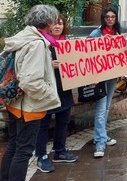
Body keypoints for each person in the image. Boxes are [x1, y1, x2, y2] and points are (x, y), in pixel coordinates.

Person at [0, 4, 60, 181]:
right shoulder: (37, 44)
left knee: (14, 145)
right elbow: (30, 81)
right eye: (54, 20)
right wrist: (49, 95)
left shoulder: (23, 36)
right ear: (48, 22)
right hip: (29, 107)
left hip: (15, 102)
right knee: (24, 151)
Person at [35, 14, 78, 173]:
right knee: (43, 124)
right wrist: (48, 65)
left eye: (61, 23)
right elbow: (32, 67)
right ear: (48, 25)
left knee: (63, 121)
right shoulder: (41, 44)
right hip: (47, 90)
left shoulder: (67, 44)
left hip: (64, 89)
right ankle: (41, 156)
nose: (58, 26)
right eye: (55, 23)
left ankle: (59, 151)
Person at [88, 7, 124, 157]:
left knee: (107, 107)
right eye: (107, 17)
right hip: (100, 78)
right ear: (103, 19)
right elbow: (86, 50)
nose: (110, 19)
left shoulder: (117, 33)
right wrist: (101, 42)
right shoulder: (96, 33)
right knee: (101, 110)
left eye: (113, 17)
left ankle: (102, 135)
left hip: (112, 76)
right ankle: (100, 142)